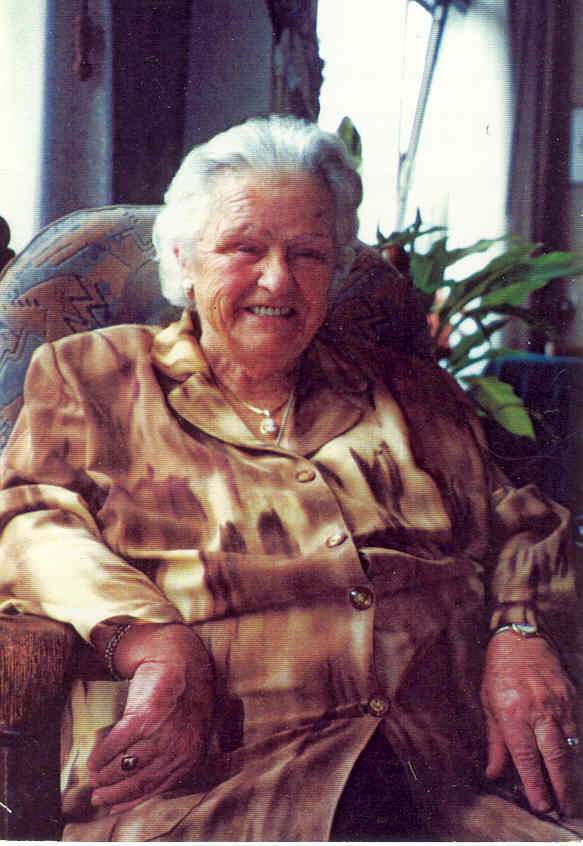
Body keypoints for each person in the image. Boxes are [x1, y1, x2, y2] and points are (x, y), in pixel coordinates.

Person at [0, 115, 580, 842]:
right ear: (182, 259)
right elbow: (28, 518)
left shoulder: (412, 393)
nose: (277, 280)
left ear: (335, 272)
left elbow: (521, 519)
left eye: (307, 254)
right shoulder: (97, 375)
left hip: (449, 779)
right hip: (223, 788)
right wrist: (153, 641)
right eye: (244, 248)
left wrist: (520, 630)